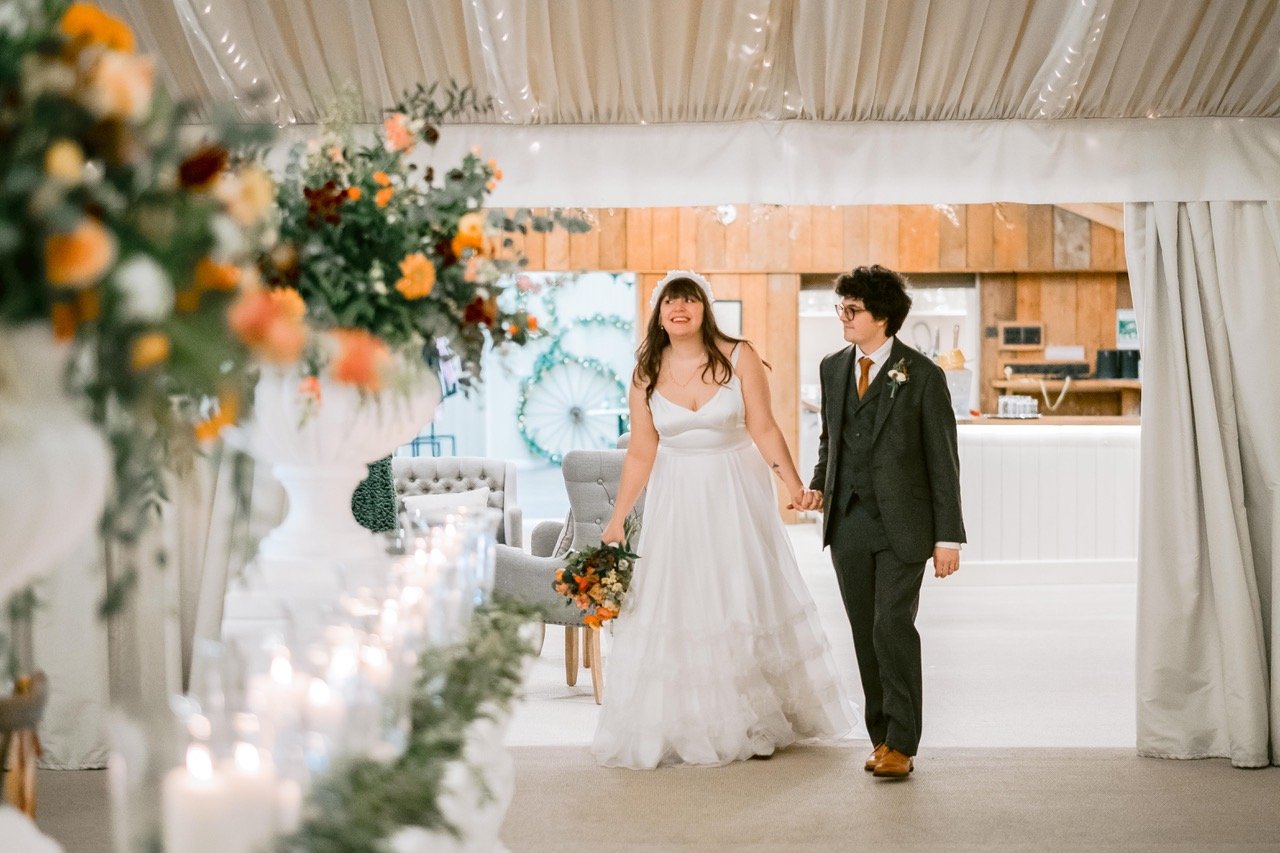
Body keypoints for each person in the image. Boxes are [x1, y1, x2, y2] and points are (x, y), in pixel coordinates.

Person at [591, 270, 855, 769]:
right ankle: (688, 720)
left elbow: (764, 426)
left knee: (739, 592)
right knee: (683, 599)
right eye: (670, 301)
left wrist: (793, 485)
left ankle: (754, 716)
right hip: (677, 498)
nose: (679, 308)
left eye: (689, 299)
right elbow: (642, 453)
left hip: (734, 492)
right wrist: (617, 519)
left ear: (704, 307)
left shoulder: (739, 356)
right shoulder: (645, 370)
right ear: (658, 313)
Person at [807, 264, 965, 780]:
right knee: (862, 631)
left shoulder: (923, 375)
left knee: (890, 626)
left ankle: (903, 741)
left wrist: (948, 537)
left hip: (904, 527)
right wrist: (817, 485)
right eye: (841, 308)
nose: (843, 318)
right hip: (847, 523)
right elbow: (831, 439)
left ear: (883, 316)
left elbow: (943, 461)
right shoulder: (833, 368)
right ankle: (880, 737)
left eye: (853, 309)